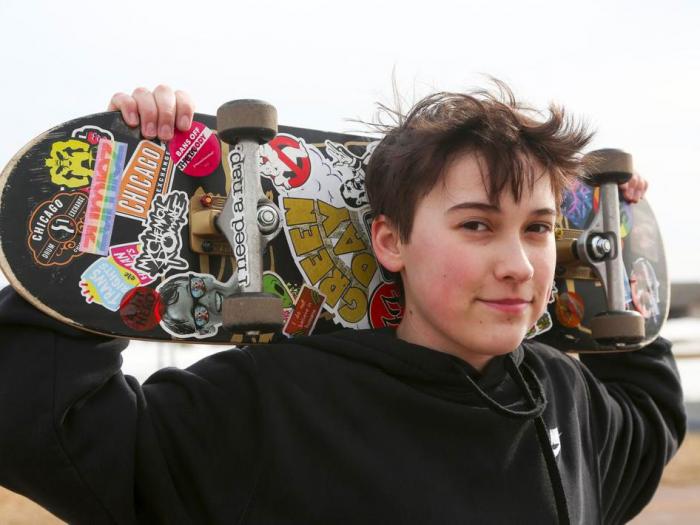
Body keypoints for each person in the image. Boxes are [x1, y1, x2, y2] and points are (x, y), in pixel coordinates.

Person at [0, 84, 683, 524]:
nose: (517, 265)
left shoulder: (565, 396)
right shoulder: (278, 404)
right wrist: (118, 202)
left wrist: (626, 261)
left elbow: (650, 415)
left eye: (537, 228)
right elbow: (44, 425)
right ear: (390, 240)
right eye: (477, 224)